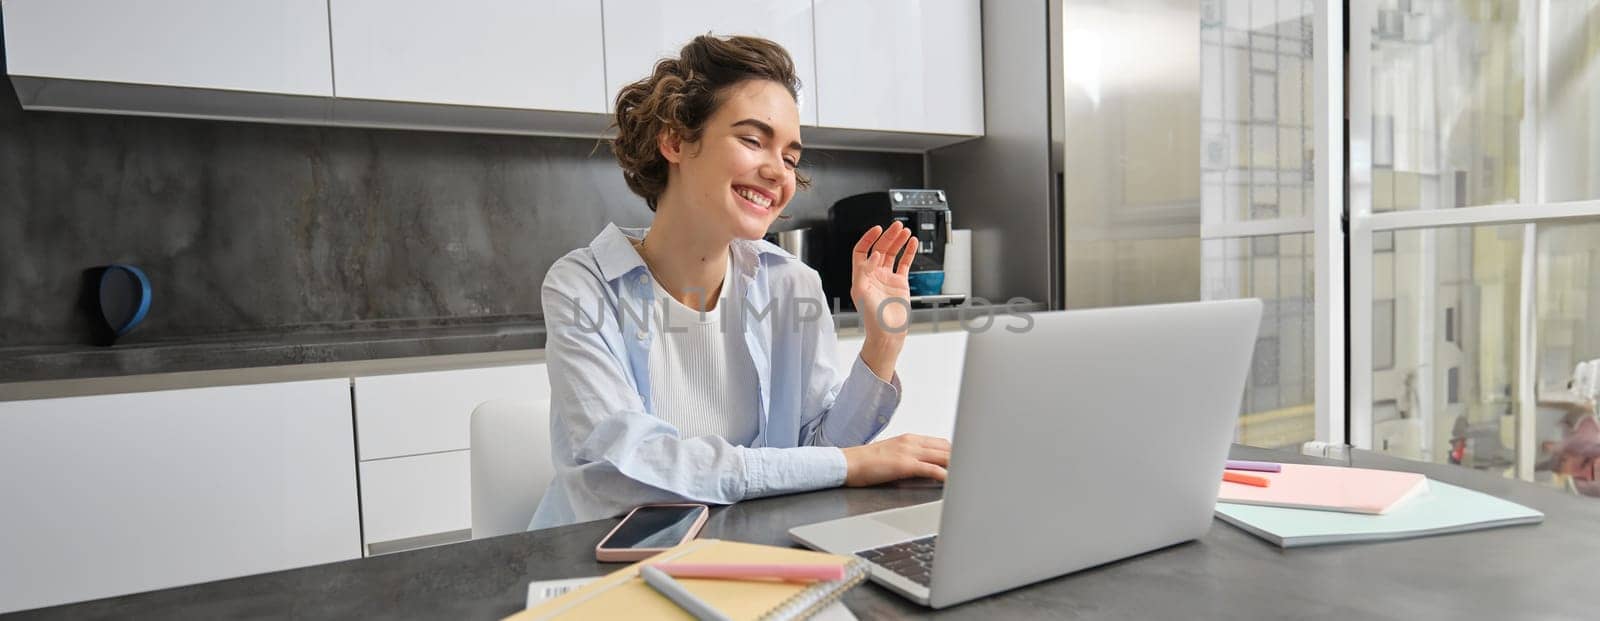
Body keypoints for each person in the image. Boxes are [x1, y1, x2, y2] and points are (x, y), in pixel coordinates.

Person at [529, 35, 951, 529]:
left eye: (791, 158)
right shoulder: (583, 287)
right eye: (753, 140)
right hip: (603, 564)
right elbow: (628, 477)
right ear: (675, 141)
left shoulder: (792, 284)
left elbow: (817, 453)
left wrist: (882, 345)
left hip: (749, 556)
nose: (777, 172)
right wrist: (849, 466)